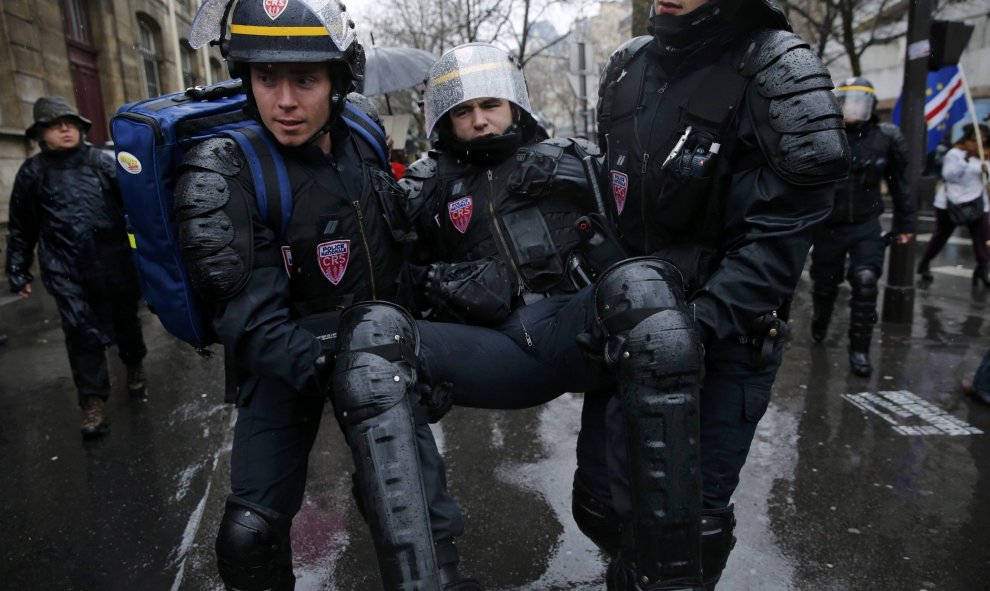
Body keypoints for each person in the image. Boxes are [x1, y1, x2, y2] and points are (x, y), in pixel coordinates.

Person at [343, 41, 706, 590]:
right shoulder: (422, 188)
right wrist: (439, 305)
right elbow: (393, 282)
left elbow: (648, 238)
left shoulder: (575, 159)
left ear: (515, 103)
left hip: (580, 333)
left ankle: (666, 578)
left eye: (489, 104)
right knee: (372, 341)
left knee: (643, 290)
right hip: (497, 351)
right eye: (463, 112)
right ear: (444, 120)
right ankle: (428, 580)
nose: (480, 120)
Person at [180, 1, 480, 589]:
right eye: (267, 79)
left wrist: (425, 348)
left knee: (415, 518)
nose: (284, 101)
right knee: (250, 535)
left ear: (339, 81)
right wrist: (351, 374)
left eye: (306, 79)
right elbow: (251, 324)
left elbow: (395, 250)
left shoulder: (363, 134)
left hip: (379, 351)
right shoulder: (223, 167)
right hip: (286, 359)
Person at [593, 0, 849, 587]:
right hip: (633, 330)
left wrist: (695, 326)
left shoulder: (777, 66)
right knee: (614, 508)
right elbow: (615, 198)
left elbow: (784, 230)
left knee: (684, 534)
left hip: (727, 338)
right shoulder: (629, 64)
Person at [6, 95, 148, 439]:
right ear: (41, 134)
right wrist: (18, 268)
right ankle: (92, 402)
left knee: (125, 322)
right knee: (80, 332)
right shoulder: (33, 173)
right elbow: (21, 226)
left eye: (70, 122)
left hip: (114, 262)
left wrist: (148, 255)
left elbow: (135, 212)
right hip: (65, 268)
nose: (65, 129)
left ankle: (134, 365)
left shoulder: (103, 162)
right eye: (55, 125)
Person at [808, 77, 915, 377]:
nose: (852, 107)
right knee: (825, 285)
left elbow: (900, 185)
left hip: (866, 225)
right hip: (829, 226)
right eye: (847, 101)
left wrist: (906, 222)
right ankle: (820, 322)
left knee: (866, 281)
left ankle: (859, 350)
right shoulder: (826, 136)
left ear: (869, 105)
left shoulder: (884, 138)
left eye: (858, 101)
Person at [916, 122, 990, 287]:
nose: (980, 141)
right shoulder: (955, 154)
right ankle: (925, 262)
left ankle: (983, 269)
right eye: (977, 137)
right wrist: (966, 160)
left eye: (984, 138)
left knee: (982, 238)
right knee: (941, 235)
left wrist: (986, 171)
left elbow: (986, 180)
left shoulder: (985, 156)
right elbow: (949, 175)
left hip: (978, 202)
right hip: (951, 203)